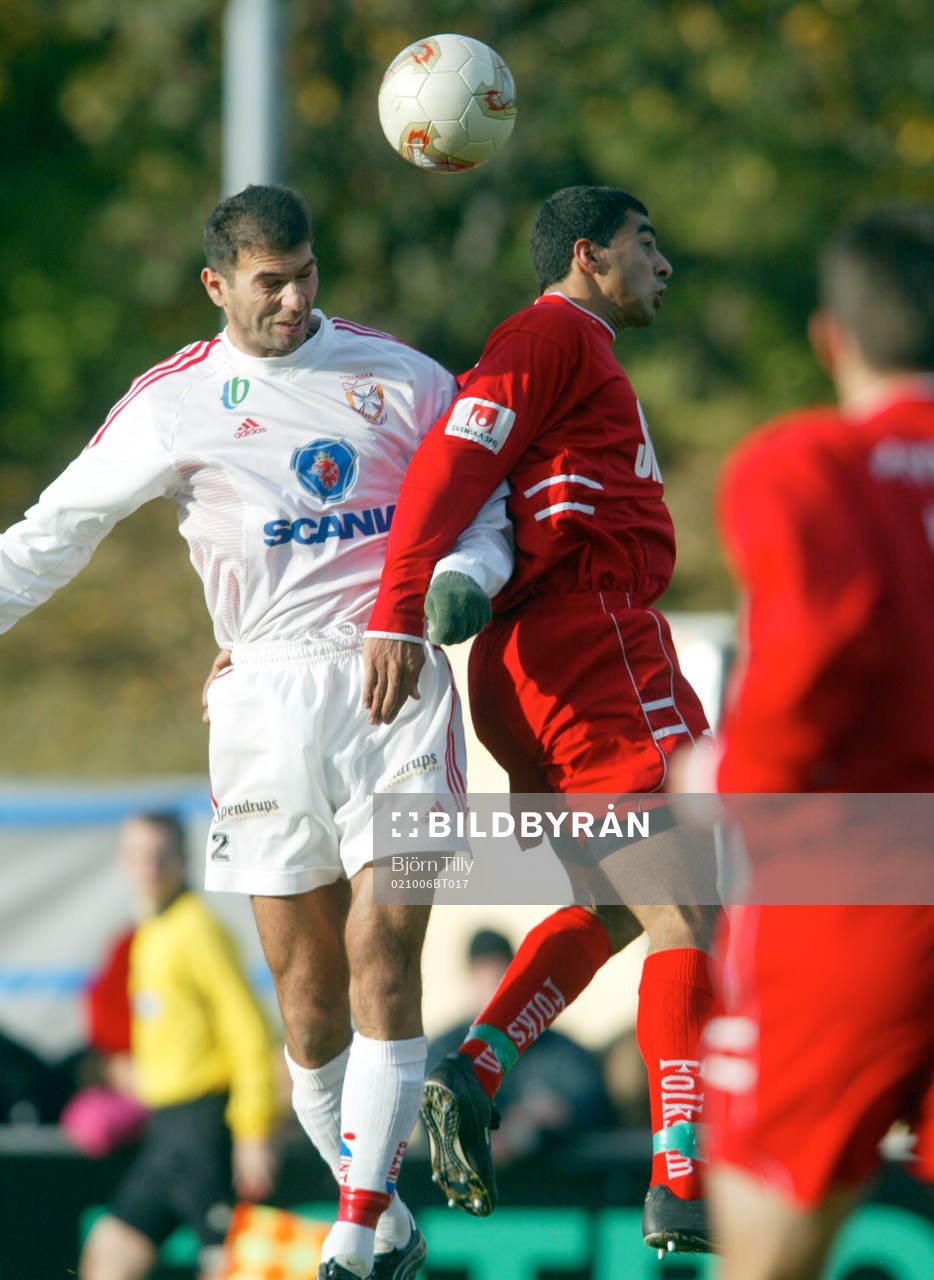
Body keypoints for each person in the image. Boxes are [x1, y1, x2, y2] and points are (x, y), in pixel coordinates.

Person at [0, 183, 513, 1280]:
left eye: (307, 274)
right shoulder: (172, 404)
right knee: (309, 994)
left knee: (387, 949)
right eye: (268, 282)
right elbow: (50, 536)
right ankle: (378, 1214)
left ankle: (350, 1236)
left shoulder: (403, 375)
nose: (292, 298)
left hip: (398, 684)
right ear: (216, 285)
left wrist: (457, 583)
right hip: (265, 703)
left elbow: (484, 504)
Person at [363, 185, 721, 1254]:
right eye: (644, 244)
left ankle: (474, 1067)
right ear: (587, 254)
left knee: (615, 909)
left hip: (549, 660)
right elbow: (451, 461)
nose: (662, 264)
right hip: (592, 645)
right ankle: (682, 1173)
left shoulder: (573, 347)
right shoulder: (548, 332)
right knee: (692, 910)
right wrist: (396, 610)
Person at [676, 203, 934, 1280]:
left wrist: (721, 775)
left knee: (771, 1258)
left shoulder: (806, 468)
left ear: (831, 338)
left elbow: (811, 658)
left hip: (852, 884)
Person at [79, 812, 279, 1280]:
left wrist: (253, 1130)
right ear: (123, 862)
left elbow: (248, 1030)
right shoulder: (150, 933)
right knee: (109, 1252)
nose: (149, 867)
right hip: (164, 1130)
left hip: (203, 1125)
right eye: (138, 855)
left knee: (224, 1262)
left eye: (160, 855)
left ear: (184, 860)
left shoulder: (198, 930)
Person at [427, 928, 615, 1167]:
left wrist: (537, 1120)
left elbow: (594, 1106)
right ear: (471, 979)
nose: (495, 994)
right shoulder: (446, 1048)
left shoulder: (557, 1050)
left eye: (502, 980)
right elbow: (429, 1114)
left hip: (548, 1186)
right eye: (486, 979)